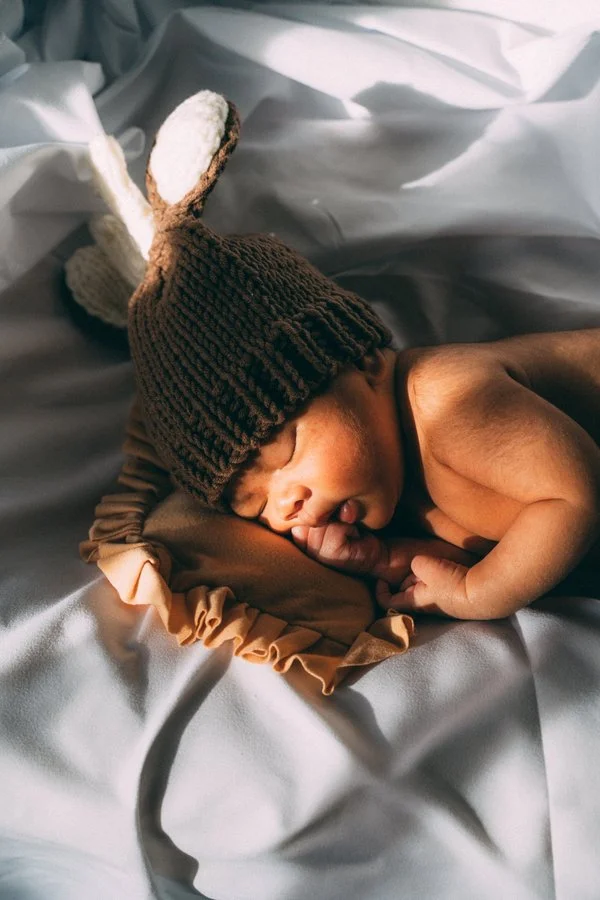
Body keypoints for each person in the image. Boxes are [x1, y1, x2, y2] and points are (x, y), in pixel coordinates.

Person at [126, 99, 600, 621]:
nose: (286, 505)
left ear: (364, 364)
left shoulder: (448, 402)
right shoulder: (398, 478)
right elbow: (509, 546)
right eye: (257, 507)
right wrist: (388, 558)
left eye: (285, 453)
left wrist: (479, 591)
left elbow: (572, 497)